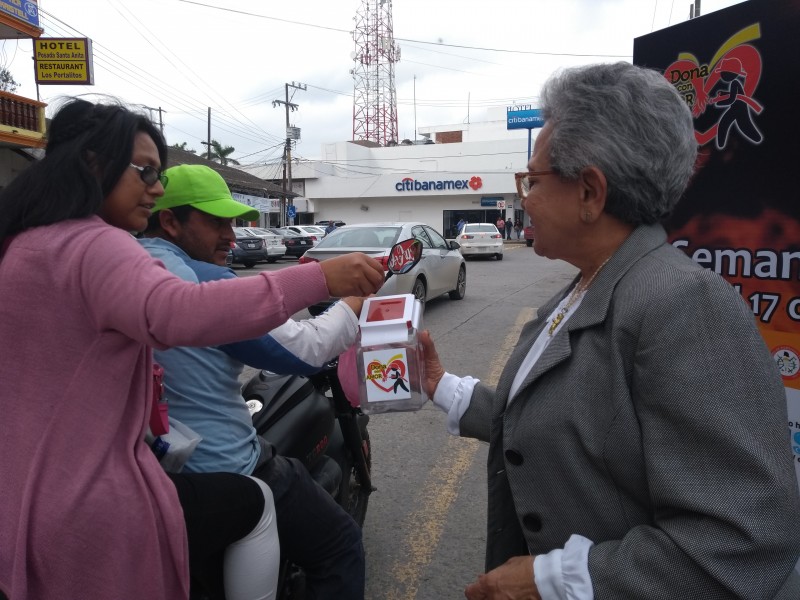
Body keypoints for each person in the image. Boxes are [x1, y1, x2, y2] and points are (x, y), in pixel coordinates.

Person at [419, 62, 800, 599]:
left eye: (533, 180)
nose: (523, 198)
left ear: (591, 192)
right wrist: (443, 388)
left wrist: (554, 580)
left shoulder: (682, 305)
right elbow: (560, 428)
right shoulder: (583, 288)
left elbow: (743, 539)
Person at [0, 98, 384, 600]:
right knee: (287, 518)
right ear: (94, 164)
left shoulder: (24, 245)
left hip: (22, 495)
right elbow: (178, 313)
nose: (154, 188)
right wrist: (318, 279)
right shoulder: (99, 247)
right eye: (145, 172)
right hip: (97, 499)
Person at [139, 164, 368, 599]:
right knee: (341, 545)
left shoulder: (120, 269)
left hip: (145, 469)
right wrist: (353, 304)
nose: (231, 235)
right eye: (216, 222)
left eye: (232, 222)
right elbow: (303, 350)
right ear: (169, 220)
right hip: (220, 466)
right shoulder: (200, 282)